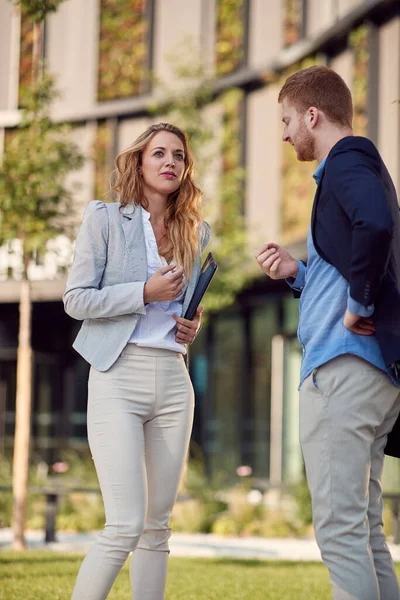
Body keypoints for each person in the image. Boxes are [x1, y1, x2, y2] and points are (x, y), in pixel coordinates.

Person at [255, 66, 400, 600]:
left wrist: (358, 302)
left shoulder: (348, 160)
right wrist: (298, 274)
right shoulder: (357, 170)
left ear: (312, 114)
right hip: (369, 373)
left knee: (340, 535)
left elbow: (378, 224)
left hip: (342, 371)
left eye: (288, 120)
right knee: (364, 532)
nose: (286, 133)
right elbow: (361, 246)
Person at [63, 122, 211, 600]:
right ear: (140, 162)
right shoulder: (105, 218)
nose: (171, 162)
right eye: (160, 154)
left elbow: (178, 310)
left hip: (173, 379)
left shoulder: (195, 231)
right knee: (125, 523)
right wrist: (142, 293)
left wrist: (191, 323)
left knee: (157, 528)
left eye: (179, 157)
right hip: (117, 375)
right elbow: (76, 300)